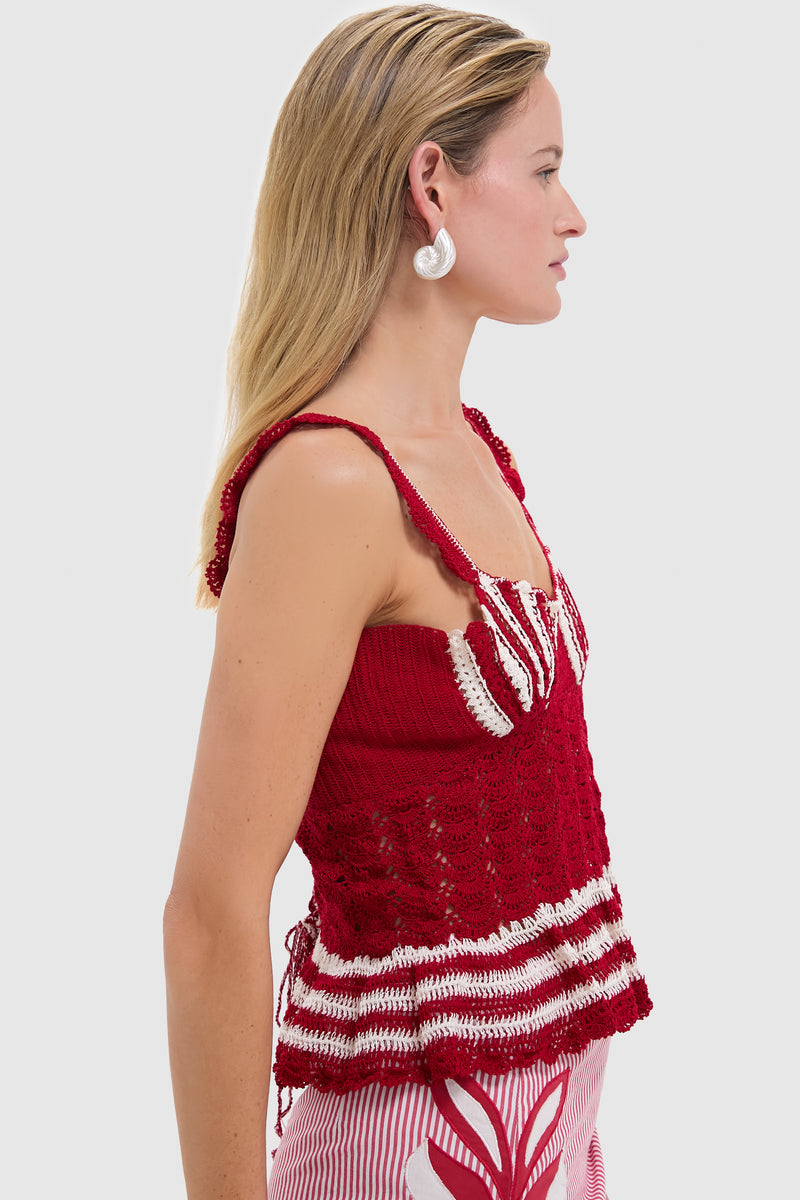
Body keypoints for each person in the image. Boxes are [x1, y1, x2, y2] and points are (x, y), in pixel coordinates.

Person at [164, 6, 652, 1198]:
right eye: (543, 171)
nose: (572, 215)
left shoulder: (470, 451)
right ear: (430, 185)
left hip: (547, 1134)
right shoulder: (328, 481)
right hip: (413, 1153)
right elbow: (211, 914)